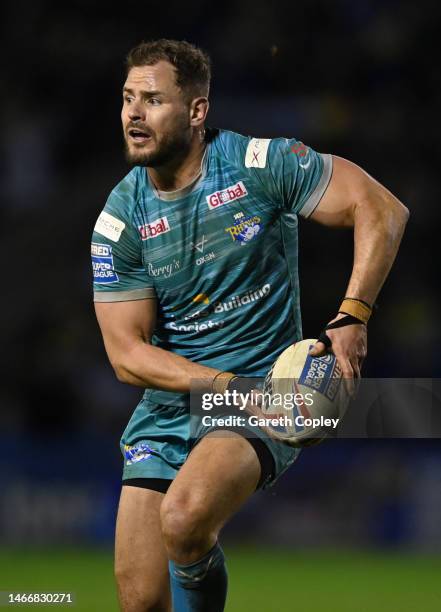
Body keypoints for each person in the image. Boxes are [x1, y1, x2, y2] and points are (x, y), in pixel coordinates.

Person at [91, 39, 408, 612]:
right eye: (127, 99)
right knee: (138, 601)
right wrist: (223, 388)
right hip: (178, 404)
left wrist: (352, 316)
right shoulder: (121, 218)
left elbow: (381, 207)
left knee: (185, 519)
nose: (134, 114)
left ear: (196, 111)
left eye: (153, 100)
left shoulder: (256, 165)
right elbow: (125, 355)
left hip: (267, 393)